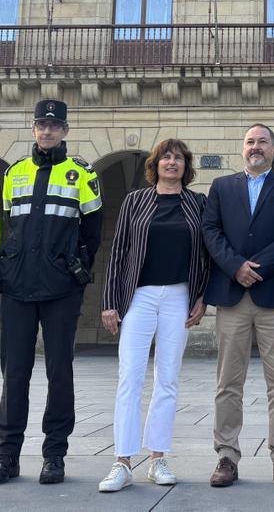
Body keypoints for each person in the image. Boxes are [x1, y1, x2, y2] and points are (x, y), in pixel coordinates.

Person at [0, 99, 103, 486]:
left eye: (54, 125)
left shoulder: (81, 173)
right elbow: (10, 224)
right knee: (13, 373)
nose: (47, 131)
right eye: (41, 124)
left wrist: (74, 268)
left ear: (65, 131)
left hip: (60, 287)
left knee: (59, 371)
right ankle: (7, 455)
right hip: (18, 286)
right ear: (34, 129)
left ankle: (54, 454)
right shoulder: (15, 172)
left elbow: (93, 232)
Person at [97, 138, 211, 492]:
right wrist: (110, 301)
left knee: (168, 378)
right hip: (140, 297)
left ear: (185, 166)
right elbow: (119, 253)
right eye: (166, 157)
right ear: (155, 164)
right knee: (129, 377)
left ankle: (158, 457)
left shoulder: (197, 203)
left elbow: (205, 254)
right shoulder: (135, 202)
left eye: (178, 158)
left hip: (178, 295)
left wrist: (201, 296)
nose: (172, 163)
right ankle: (122, 461)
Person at [201, 124, 274, 489]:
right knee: (228, 382)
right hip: (232, 296)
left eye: (263, 141)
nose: (255, 147)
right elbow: (210, 231)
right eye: (250, 141)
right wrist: (235, 267)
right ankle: (226, 456)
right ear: (242, 149)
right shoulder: (221, 187)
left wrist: (255, 268)